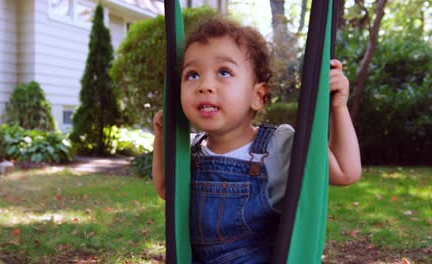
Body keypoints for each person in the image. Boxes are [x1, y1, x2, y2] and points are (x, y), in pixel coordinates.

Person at [152, 17, 361, 263]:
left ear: (258, 96)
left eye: (224, 72)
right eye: (193, 74)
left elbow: (346, 172)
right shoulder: (188, 147)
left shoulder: (279, 146)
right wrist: (161, 138)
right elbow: (166, 189)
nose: (205, 85)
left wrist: (338, 107)